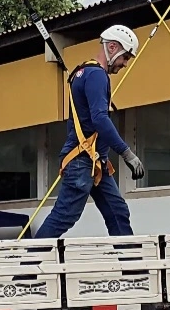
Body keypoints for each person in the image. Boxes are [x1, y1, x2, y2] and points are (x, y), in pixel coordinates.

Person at [36, 25, 146, 238]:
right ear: (112, 47)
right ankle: (29, 260)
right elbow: (100, 119)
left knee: (117, 212)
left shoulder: (84, 73)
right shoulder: (97, 75)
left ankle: (131, 260)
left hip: (94, 160)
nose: (125, 64)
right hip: (82, 160)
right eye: (125, 57)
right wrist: (127, 154)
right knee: (64, 216)